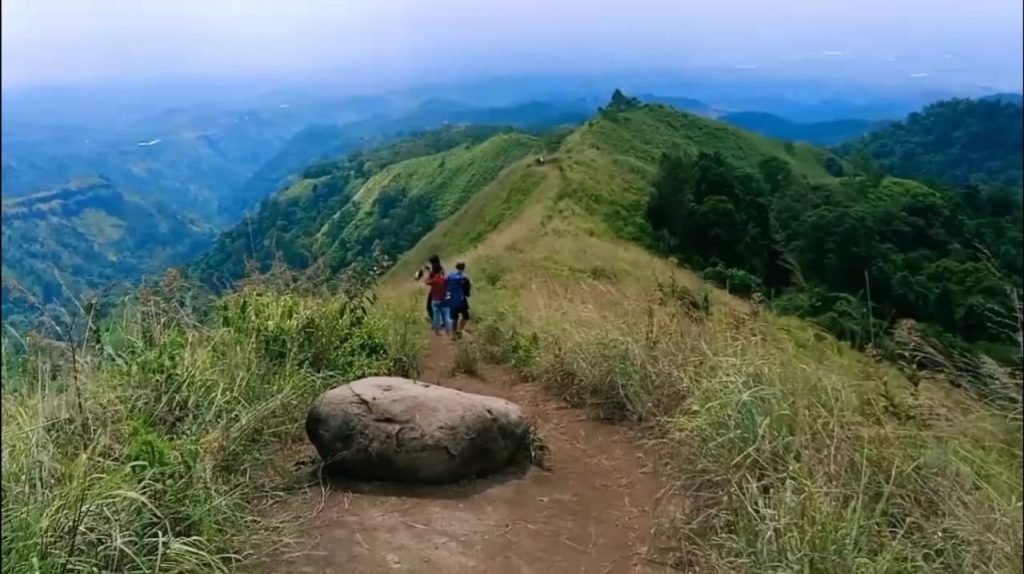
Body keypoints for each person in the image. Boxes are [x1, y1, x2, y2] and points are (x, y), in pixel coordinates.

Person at [419, 255, 452, 336]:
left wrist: (429, 273)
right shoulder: (440, 270)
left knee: (433, 309)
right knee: (444, 312)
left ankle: (437, 326)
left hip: (435, 293)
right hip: (441, 292)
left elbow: (428, 280)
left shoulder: (436, 270)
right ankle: (447, 328)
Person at [446, 262, 472, 338]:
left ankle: (453, 335)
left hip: (452, 301)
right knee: (466, 316)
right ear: (464, 268)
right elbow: (467, 291)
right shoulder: (464, 278)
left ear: (456, 267)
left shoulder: (450, 276)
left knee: (454, 319)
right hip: (461, 301)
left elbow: (447, 287)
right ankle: (459, 330)